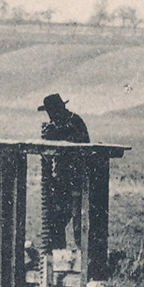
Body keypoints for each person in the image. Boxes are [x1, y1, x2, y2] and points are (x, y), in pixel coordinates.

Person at [37, 94, 89, 250]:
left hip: (78, 180)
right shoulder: (55, 125)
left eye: (53, 111)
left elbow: (80, 146)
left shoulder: (75, 122)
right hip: (62, 180)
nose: (51, 116)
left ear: (61, 108)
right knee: (55, 222)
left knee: (79, 224)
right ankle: (59, 258)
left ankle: (83, 261)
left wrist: (56, 134)